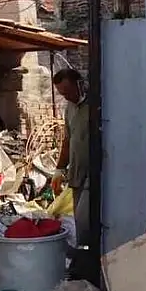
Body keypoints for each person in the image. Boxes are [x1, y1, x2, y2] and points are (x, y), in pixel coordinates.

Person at [53, 68, 89, 273]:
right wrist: (59, 169)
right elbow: (67, 140)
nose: (67, 97)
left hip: (93, 172)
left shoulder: (95, 103)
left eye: (68, 92)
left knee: (85, 220)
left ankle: (85, 261)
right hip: (76, 172)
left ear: (79, 84)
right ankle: (84, 259)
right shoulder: (70, 108)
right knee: (78, 220)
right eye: (62, 94)